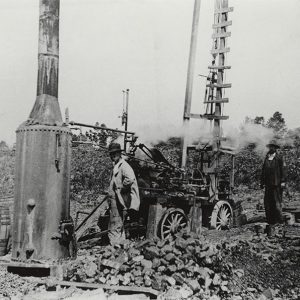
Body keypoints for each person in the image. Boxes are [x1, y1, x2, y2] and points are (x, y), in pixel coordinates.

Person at [107, 142, 140, 245]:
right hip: (113, 198)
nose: (113, 156)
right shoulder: (116, 165)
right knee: (118, 221)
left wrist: (122, 188)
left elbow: (130, 178)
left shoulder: (124, 165)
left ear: (119, 154)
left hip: (117, 198)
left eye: (115, 154)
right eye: (111, 154)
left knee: (115, 222)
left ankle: (115, 246)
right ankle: (121, 244)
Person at [261, 140, 286, 234]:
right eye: (270, 147)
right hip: (268, 184)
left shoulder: (279, 158)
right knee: (268, 202)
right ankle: (270, 220)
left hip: (277, 183)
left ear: (275, 148)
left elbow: (283, 170)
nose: (271, 148)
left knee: (276, 202)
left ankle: (279, 221)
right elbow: (263, 171)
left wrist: (283, 181)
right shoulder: (267, 157)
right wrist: (262, 182)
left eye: (273, 147)